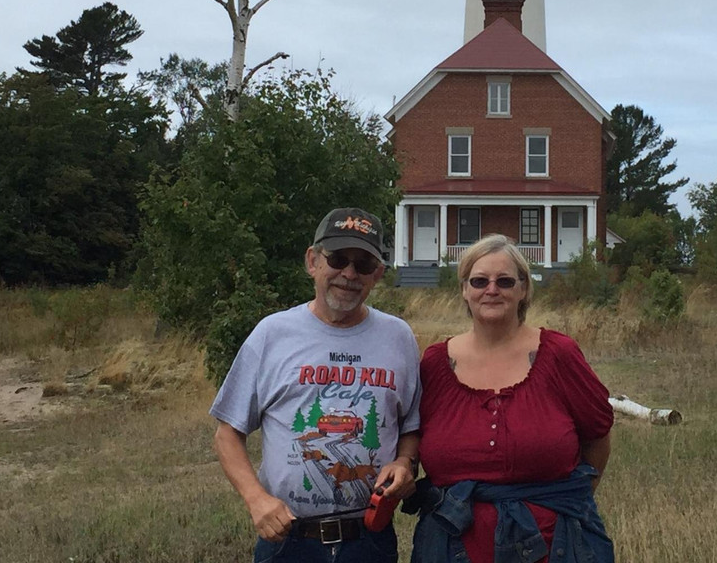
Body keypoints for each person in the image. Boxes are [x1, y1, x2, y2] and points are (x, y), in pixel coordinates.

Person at [211, 207, 421, 563]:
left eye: (364, 265)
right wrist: (256, 499)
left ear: (378, 274)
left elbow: (411, 427)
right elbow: (227, 432)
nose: (349, 274)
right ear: (312, 261)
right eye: (338, 259)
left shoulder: (398, 337)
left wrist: (404, 462)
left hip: (369, 540)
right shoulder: (272, 334)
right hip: (289, 540)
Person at [409, 234, 615, 563]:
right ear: (464, 289)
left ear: (523, 290)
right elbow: (411, 435)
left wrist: (568, 501)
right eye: (479, 280)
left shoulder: (559, 354)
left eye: (504, 281)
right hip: (451, 547)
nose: (492, 289)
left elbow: (597, 438)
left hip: (553, 547)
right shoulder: (434, 363)